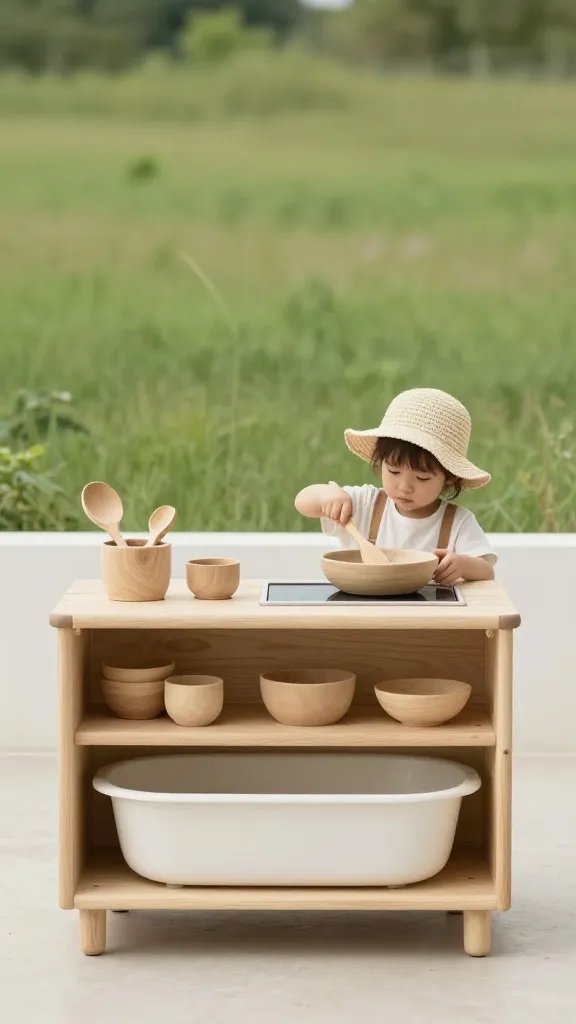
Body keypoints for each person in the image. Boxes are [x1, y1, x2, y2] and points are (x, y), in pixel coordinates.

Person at [294, 387, 496, 585]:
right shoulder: (366, 505)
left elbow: (486, 570)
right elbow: (302, 502)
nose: (404, 487)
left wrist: (463, 565)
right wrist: (328, 495)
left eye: (422, 477)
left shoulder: (457, 522)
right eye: (393, 471)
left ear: (450, 477)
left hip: (429, 616)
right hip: (366, 612)